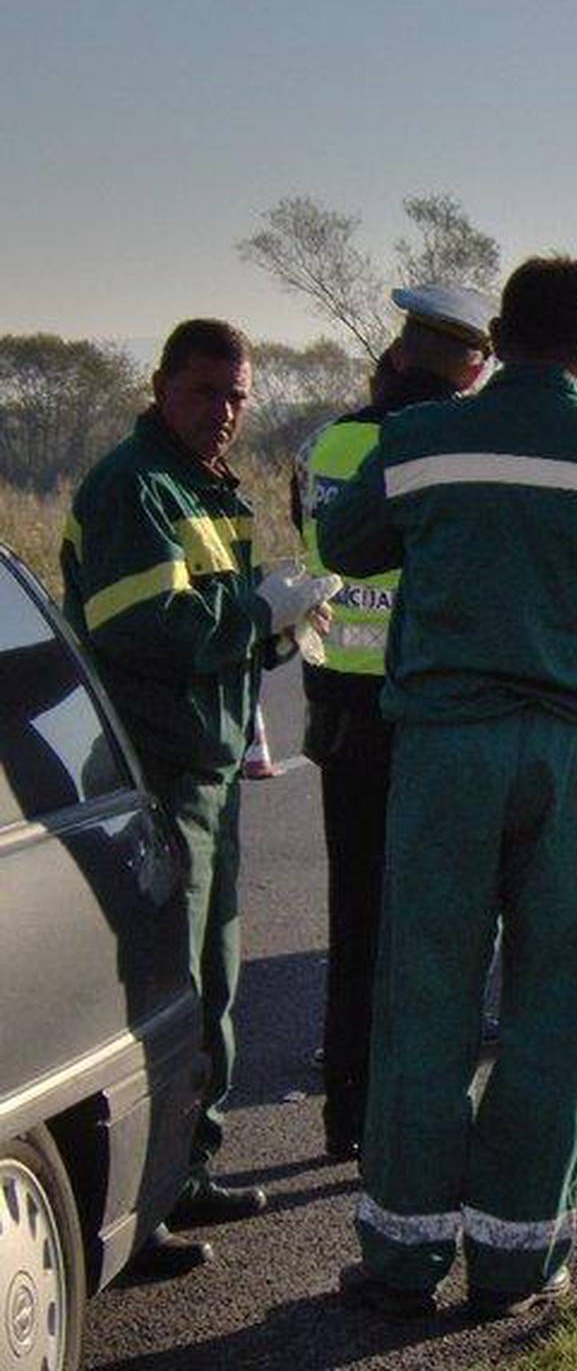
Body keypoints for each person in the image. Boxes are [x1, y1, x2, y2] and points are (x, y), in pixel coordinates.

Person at [320, 256, 577, 1318]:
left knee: (426, 997)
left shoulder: (422, 440)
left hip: (448, 751)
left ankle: (401, 1258)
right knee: (557, 1006)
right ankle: (515, 1262)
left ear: (496, 337)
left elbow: (339, 541)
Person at [60, 319, 336, 1271]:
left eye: (236, 398)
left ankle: (186, 1170)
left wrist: (278, 625)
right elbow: (148, 630)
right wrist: (259, 610)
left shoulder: (204, 488)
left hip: (209, 768)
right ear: (160, 386)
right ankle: (141, 1209)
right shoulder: (131, 487)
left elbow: (211, 631)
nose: (222, 413)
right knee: (171, 986)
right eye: (204, 393)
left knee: (212, 979)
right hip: (160, 769)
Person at [291, 286, 494, 1162]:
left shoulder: (328, 440)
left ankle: (347, 1112)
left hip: (339, 706)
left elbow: (312, 538)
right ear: (474, 367)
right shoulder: (449, 447)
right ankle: (408, 1118)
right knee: (438, 921)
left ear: (400, 353)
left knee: (356, 917)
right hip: (425, 709)